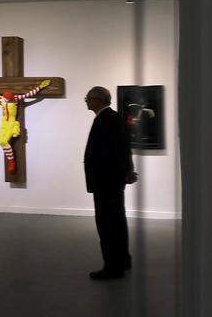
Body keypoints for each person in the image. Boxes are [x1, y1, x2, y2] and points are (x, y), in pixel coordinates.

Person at [84, 86, 137, 280]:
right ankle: (123, 260)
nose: (86, 101)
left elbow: (117, 150)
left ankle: (113, 267)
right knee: (117, 221)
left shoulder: (106, 120)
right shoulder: (114, 118)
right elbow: (124, 148)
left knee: (107, 224)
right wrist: (128, 171)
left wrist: (126, 171)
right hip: (112, 180)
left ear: (98, 100)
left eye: (88, 98)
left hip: (105, 181)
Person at [0, 78, 51, 172]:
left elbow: (29, 94)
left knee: (4, 141)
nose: (7, 101)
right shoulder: (1, 99)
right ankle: (11, 159)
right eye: (6, 99)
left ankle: (11, 161)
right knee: (1, 142)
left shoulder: (16, 99)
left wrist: (40, 87)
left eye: (9, 100)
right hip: (4, 123)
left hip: (11, 124)